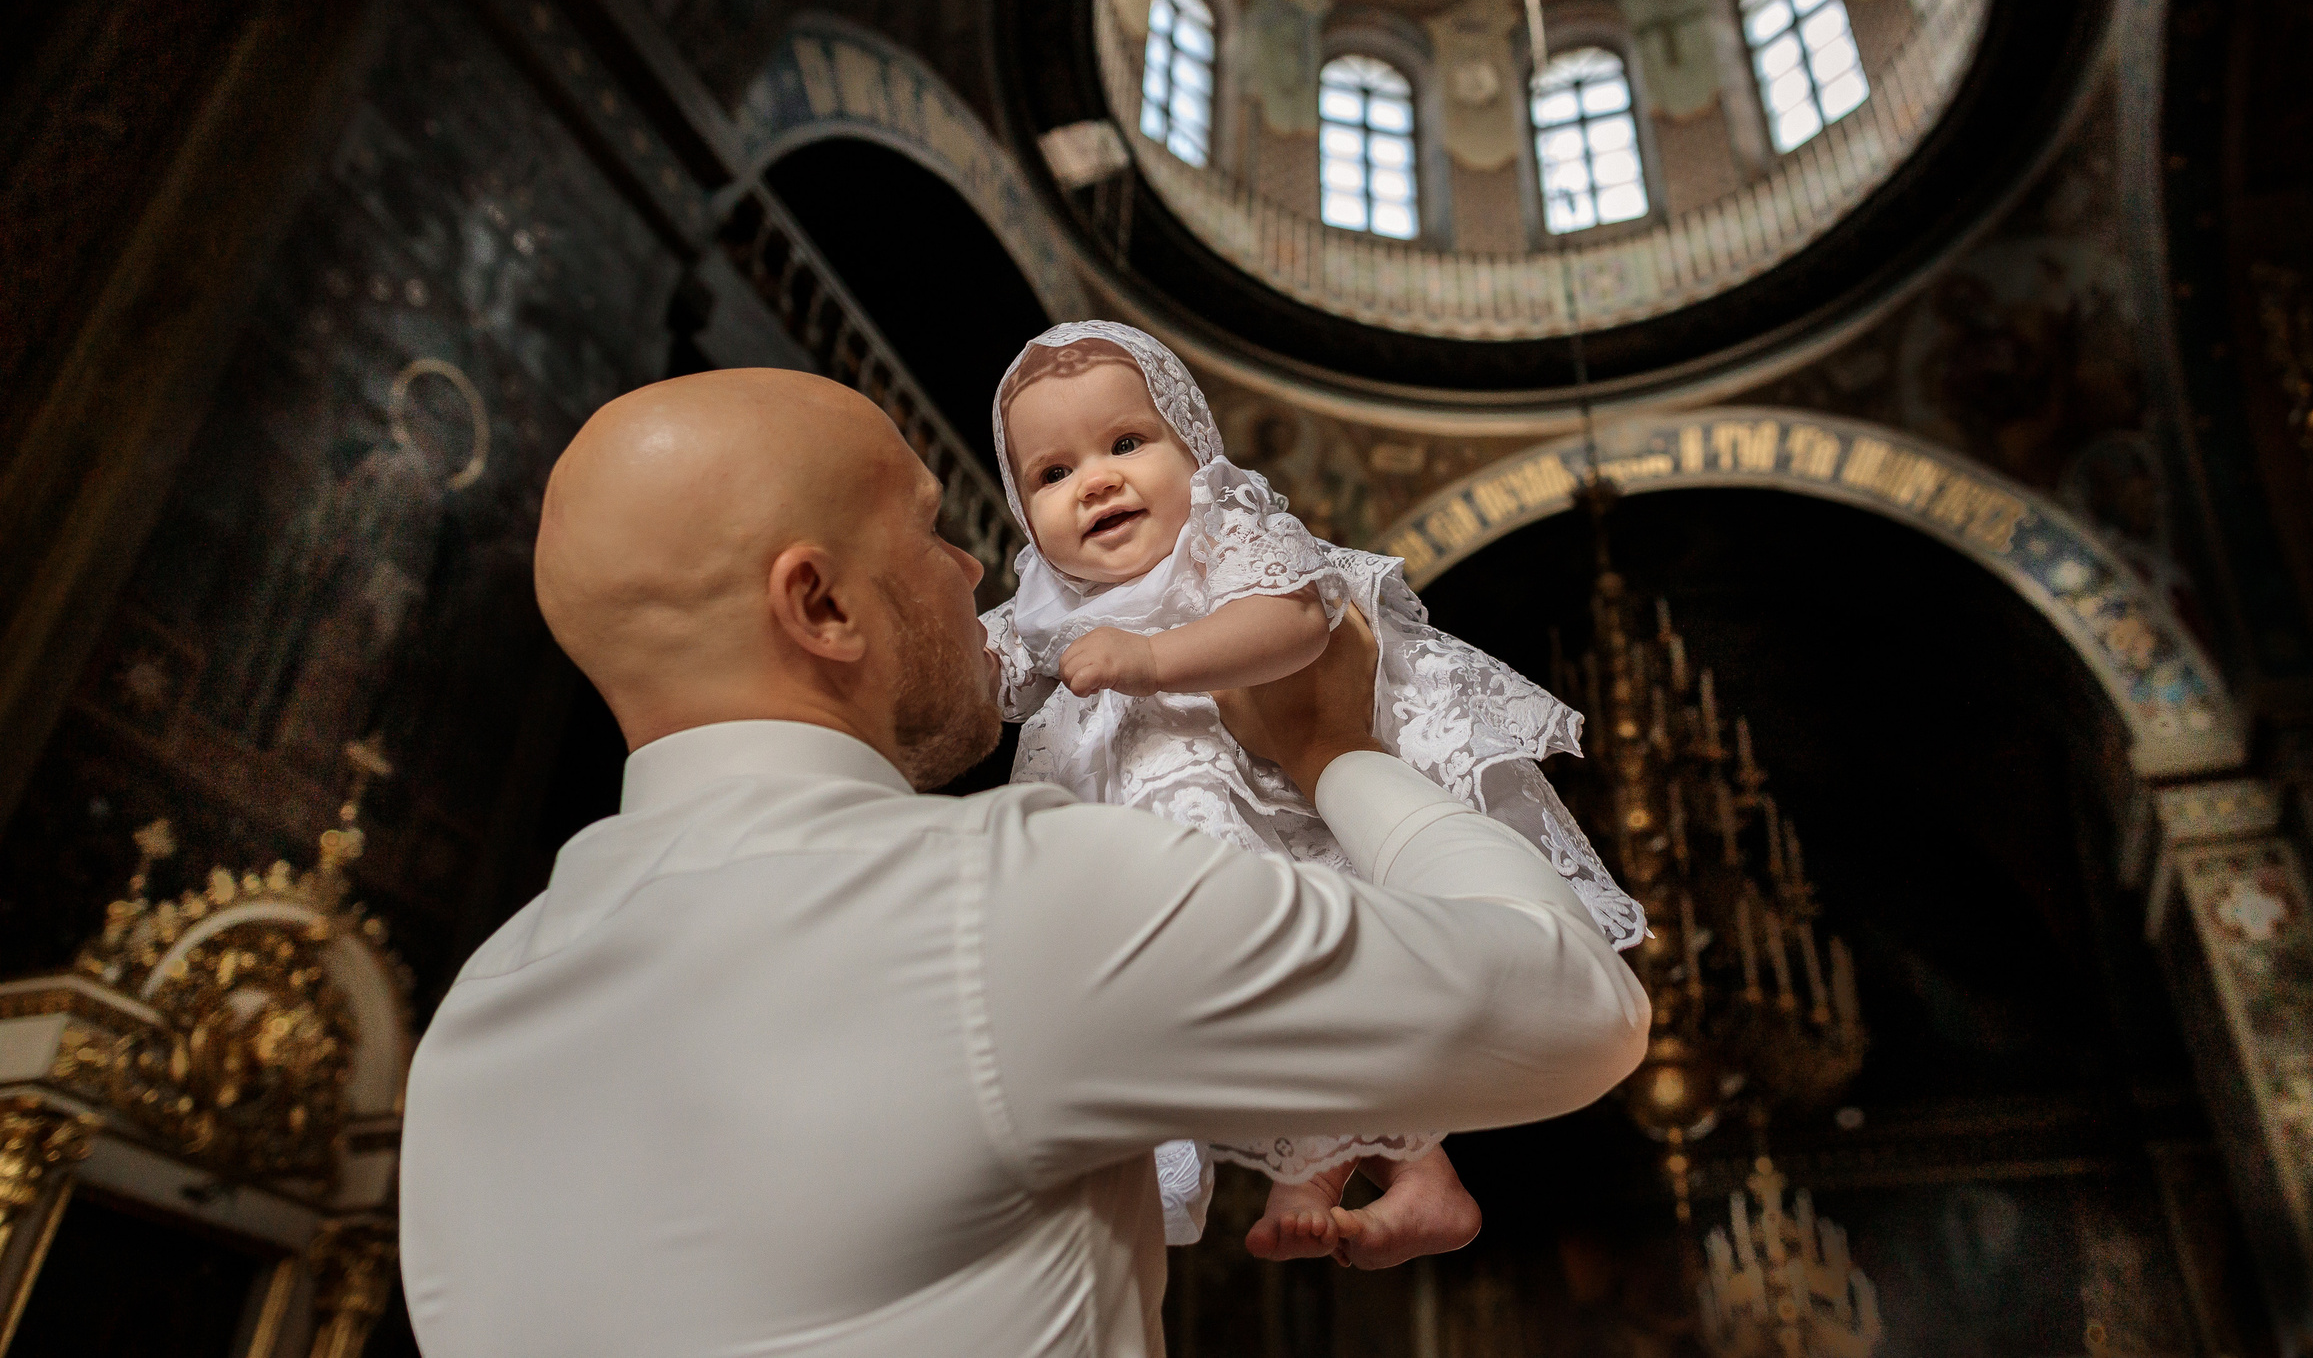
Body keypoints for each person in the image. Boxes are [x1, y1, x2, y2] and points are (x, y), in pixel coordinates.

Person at [398, 367, 1647, 1357]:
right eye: (938, 535)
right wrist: (1333, 755)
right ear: (822, 608)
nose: (973, 575)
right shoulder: (1014, 898)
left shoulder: (466, 1031)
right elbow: (1572, 1005)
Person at [983, 321, 1643, 1265]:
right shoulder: (1045, 597)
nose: (1093, 480)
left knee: (1300, 972)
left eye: (1127, 444)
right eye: (1051, 473)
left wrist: (1155, 656)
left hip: (1252, 807)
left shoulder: (1225, 532)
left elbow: (1293, 621)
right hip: (1130, 851)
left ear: (1195, 449)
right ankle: (1362, 1170)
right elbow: (979, 672)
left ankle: (1403, 1173)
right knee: (1193, 996)